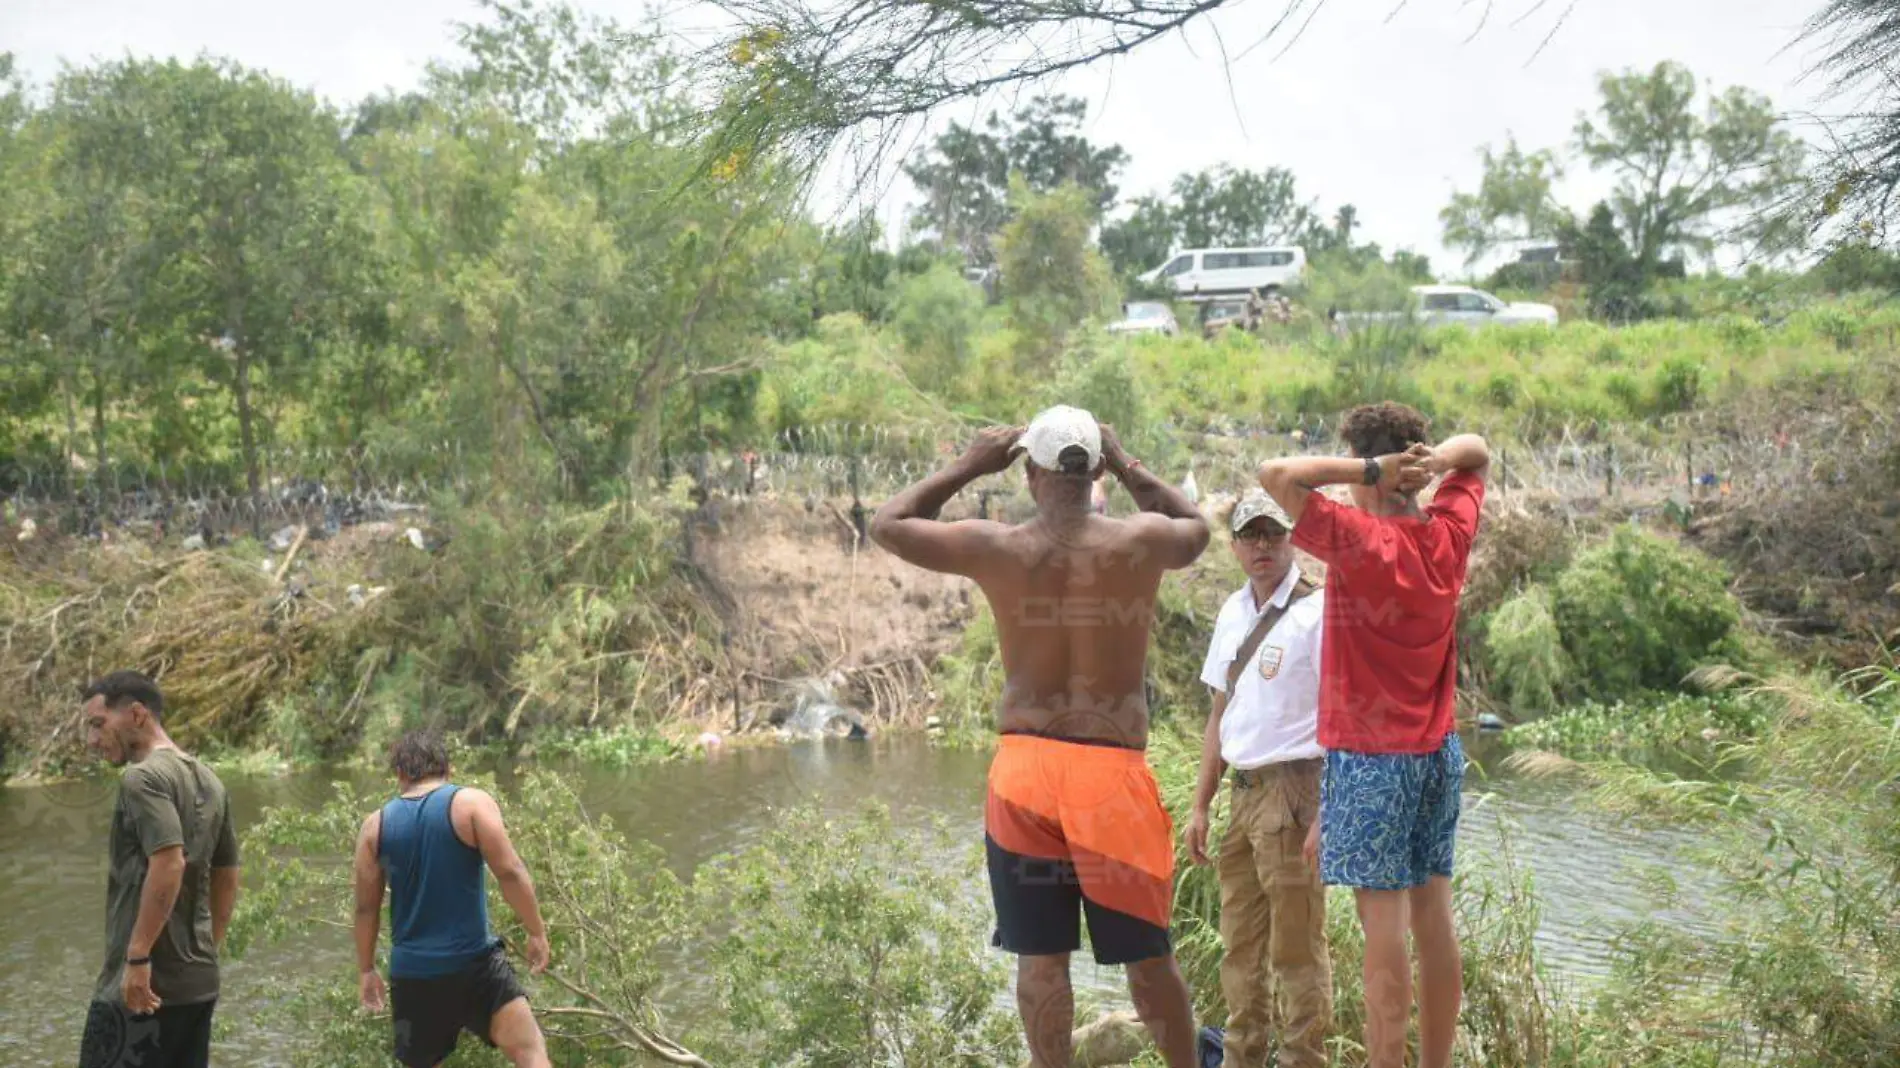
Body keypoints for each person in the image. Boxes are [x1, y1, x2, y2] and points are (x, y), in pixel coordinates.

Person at [869, 405, 1211, 1068]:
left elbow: (889, 523)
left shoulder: (997, 546)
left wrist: (969, 465)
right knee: (1148, 954)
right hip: (1110, 778)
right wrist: (1131, 461)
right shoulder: (1138, 540)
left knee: (1041, 958)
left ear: (1029, 473)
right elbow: (1196, 528)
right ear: (1098, 472)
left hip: (1025, 774)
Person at [1256, 402, 1489, 1068]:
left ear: (1368, 469)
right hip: (1438, 753)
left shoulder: (1358, 538)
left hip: (1371, 760)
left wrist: (1372, 469)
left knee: (1382, 930)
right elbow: (1478, 452)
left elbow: (1277, 474)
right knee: (1433, 916)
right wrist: (1435, 463)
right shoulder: (1447, 532)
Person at [1184, 490, 1331, 1068]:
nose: (1263, 545)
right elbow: (1220, 712)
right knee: (1239, 947)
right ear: (1236, 544)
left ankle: (1303, 1061)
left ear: (1293, 537)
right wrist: (1201, 805)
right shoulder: (1231, 611)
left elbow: (1343, 715)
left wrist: (1329, 809)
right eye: (1251, 535)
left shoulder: (1318, 611)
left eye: (1273, 533)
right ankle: (1243, 1058)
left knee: (1298, 950)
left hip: (1295, 790)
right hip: (1240, 794)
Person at [352, 730, 554, 1068]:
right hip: (475, 966)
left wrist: (367, 969)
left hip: (413, 975)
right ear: (449, 768)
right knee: (529, 1050)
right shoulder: (471, 804)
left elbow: (365, 908)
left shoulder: (375, 827)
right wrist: (536, 931)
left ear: (400, 774)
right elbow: (511, 872)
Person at [79, 670, 241, 1068]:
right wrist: (206, 949)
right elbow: (228, 874)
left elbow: (169, 861)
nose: (92, 740)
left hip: (139, 990)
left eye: (98, 725)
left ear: (137, 714)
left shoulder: (142, 778)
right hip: (197, 986)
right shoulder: (210, 780)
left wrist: (137, 957)